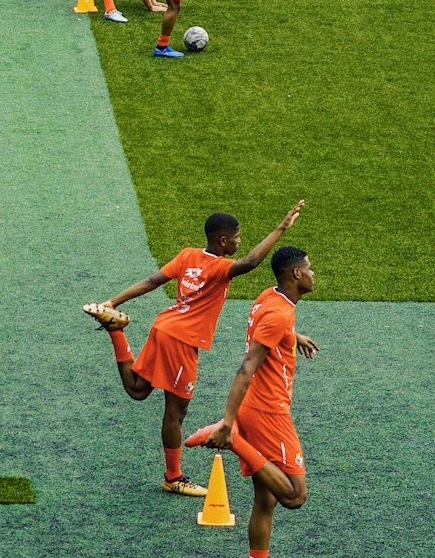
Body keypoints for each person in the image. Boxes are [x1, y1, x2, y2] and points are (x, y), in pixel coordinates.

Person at [83, 201, 305, 497]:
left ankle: (116, 331)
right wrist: (281, 227)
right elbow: (251, 262)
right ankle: (173, 477)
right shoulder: (219, 268)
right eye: (237, 237)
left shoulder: (188, 255)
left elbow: (152, 281)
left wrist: (113, 303)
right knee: (176, 412)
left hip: (164, 326)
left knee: (138, 389)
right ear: (223, 240)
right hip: (182, 342)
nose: (240, 241)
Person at [186, 242, 318, 558]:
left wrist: (293, 338)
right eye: (309, 268)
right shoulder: (279, 315)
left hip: (256, 408)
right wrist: (230, 424)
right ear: (295, 275)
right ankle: (230, 439)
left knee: (266, 500)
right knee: (294, 495)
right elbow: (247, 366)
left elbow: (271, 330)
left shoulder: (269, 299)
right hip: (267, 412)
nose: (312, 273)